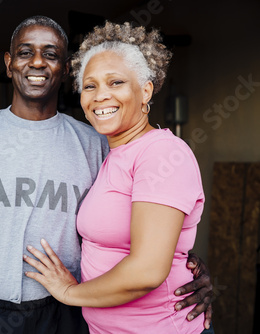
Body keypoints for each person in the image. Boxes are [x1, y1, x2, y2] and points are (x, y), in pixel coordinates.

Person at [0, 16, 213, 334]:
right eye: (25, 52)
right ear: (9, 62)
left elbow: (149, 229)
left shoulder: (98, 146)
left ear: (65, 68)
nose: (37, 62)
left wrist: (185, 265)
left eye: (51, 54)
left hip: (64, 313)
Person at [23, 21, 213, 333]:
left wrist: (69, 293)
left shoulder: (161, 153)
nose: (100, 96)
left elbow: (148, 270)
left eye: (116, 82)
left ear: (146, 90)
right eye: (90, 85)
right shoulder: (112, 155)